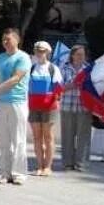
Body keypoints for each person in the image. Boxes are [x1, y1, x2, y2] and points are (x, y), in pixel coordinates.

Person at [0, 29, 30, 184]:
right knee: (3, 138)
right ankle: (5, 172)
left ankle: (19, 173)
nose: (5, 42)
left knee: (18, 138)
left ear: (17, 40)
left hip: (17, 101)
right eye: (3, 39)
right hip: (1, 102)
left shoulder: (23, 57)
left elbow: (16, 78)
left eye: (8, 39)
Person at [28, 41, 63, 176]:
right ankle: (39, 165)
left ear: (48, 52)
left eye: (42, 51)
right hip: (34, 106)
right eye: (37, 50)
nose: (39, 53)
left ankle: (47, 166)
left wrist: (56, 95)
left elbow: (58, 87)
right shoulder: (31, 68)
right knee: (37, 136)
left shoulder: (53, 68)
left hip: (49, 106)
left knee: (48, 136)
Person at [60, 45, 92, 171]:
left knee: (83, 136)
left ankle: (81, 163)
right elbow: (59, 87)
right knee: (67, 135)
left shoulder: (89, 69)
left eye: (82, 55)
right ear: (72, 55)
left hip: (84, 107)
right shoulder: (64, 68)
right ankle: (68, 162)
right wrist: (73, 84)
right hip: (67, 106)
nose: (80, 57)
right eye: (78, 54)